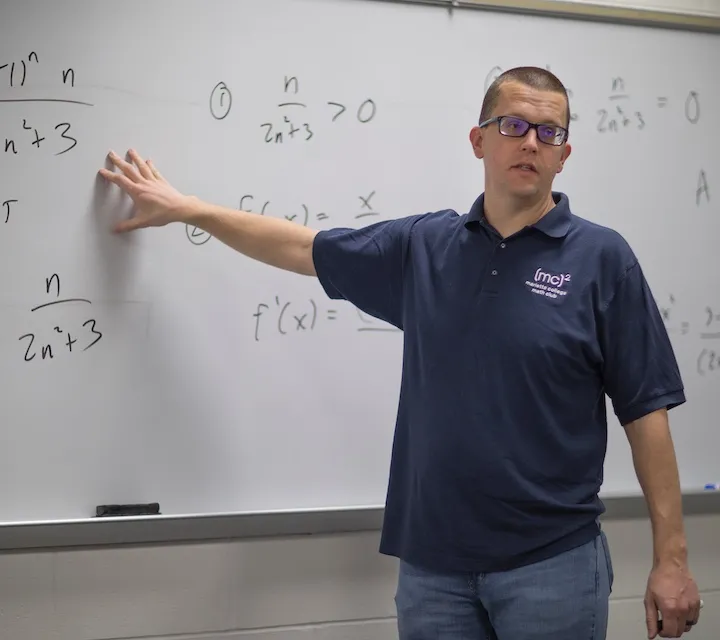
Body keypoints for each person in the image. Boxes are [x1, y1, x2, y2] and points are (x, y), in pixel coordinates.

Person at [99, 66, 701, 639]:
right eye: (513, 126)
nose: (531, 143)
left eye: (550, 133)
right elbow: (302, 249)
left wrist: (670, 559)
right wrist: (188, 210)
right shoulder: (425, 248)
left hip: (551, 565)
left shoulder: (602, 259)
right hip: (433, 570)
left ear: (564, 154)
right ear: (479, 140)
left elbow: (646, 411)